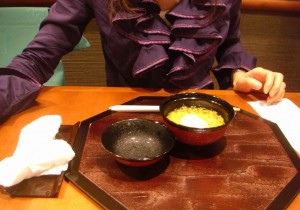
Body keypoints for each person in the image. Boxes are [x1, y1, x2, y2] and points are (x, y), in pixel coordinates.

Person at [0, 0, 285, 122]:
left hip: (202, 117)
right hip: (125, 116)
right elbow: (36, 59)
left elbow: (230, 44)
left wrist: (238, 75)